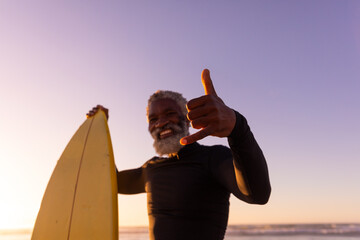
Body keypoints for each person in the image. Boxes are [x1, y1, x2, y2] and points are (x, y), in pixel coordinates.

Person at [87, 69, 271, 240]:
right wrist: (99, 130)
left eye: (170, 114)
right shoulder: (150, 169)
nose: (161, 123)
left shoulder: (212, 158)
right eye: (153, 119)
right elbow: (110, 182)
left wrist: (238, 128)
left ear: (187, 119)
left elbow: (257, 194)